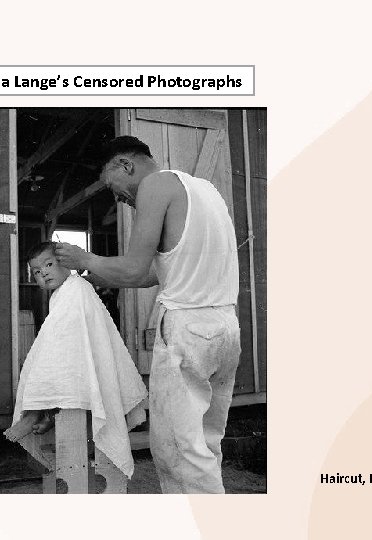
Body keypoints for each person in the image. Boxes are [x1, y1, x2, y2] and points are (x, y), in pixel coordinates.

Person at [54, 136, 240, 494]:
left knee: (178, 454)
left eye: (112, 185)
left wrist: (84, 259)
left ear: (125, 165)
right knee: (204, 445)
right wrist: (93, 276)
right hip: (224, 328)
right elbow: (157, 272)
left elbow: (135, 269)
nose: (119, 198)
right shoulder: (206, 191)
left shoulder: (156, 184)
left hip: (188, 329)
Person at [4, 242, 147, 479]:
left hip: (82, 365)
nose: (44, 273)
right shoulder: (63, 293)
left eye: (48, 265)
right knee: (49, 359)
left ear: (66, 264)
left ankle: (37, 412)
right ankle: (45, 412)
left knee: (48, 360)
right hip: (79, 368)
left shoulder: (76, 289)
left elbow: (66, 341)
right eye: (37, 272)